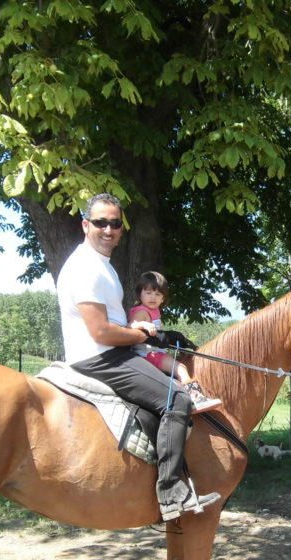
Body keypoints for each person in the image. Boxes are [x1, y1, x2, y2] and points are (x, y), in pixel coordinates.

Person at [57, 193, 221, 522]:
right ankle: (171, 491)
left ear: (121, 228)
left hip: (112, 350)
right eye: (100, 222)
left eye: (114, 223)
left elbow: (113, 323)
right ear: (85, 224)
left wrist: (143, 329)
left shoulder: (101, 266)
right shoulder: (86, 268)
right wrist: (141, 334)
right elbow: (101, 332)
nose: (108, 229)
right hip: (100, 357)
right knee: (177, 399)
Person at [128, 270, 222, 413]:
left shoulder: (154, 311)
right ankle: (196, 399)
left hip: (155, 353)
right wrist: (144, 325)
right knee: (181, 369)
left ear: (163, 299)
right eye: (148, 293)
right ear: (140, 294)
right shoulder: (142, 311)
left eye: (158, 294)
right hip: (148, 355)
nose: (152, 297)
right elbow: (129, 326)